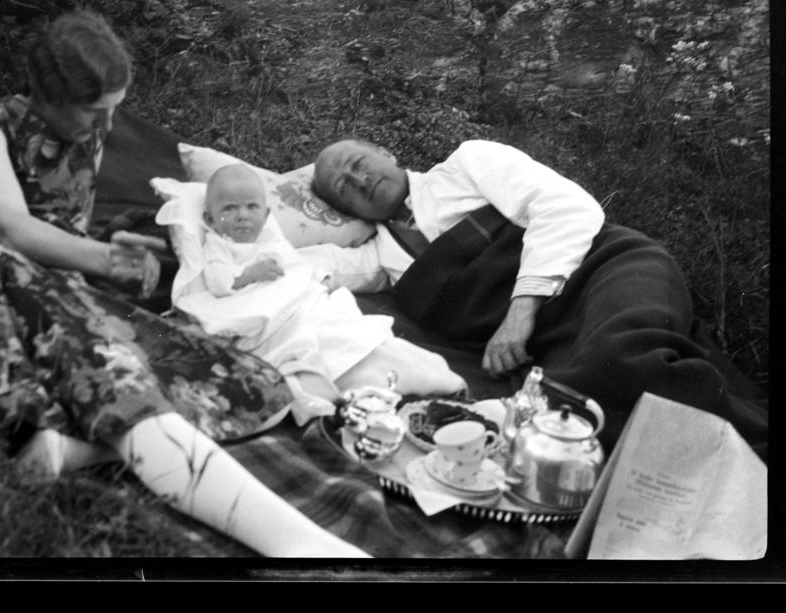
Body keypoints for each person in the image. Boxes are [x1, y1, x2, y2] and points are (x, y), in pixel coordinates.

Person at [0, 10, 370, 557]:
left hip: (44, 288)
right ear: (48, 94)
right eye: (94, 112)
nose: (106, 127)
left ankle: (65, 451)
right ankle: (304, 550)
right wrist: (102, 259)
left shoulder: (87, 140)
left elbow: (61, 241)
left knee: (252, 386)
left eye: (114, 111)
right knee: (113, 371)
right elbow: (8, 224)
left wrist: (114, 259)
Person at [306, 138, 768, 456]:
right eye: (344, 187)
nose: (359, 179)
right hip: (550, 332)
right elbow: (297, 265)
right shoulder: (380, 257)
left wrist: (519, 311)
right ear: (346, 211)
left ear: (384, 153)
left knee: (624, 354)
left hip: (602, 267)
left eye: (358, 163)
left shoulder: (466, 165)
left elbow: (565, 206)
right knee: (571, 393)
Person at [187, 163, 465, 423]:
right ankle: (363, 387)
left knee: (360, 336)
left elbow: (303, 271)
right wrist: (249, 274)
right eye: (229, 209)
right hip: (271, 322)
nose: (242, 216)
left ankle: (427, 378)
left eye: (251, 207)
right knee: (322, 350)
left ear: (267, 214)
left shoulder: (272, 240)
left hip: (305, 306)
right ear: (210, 219)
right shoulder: (220, 245)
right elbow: (219, 280)